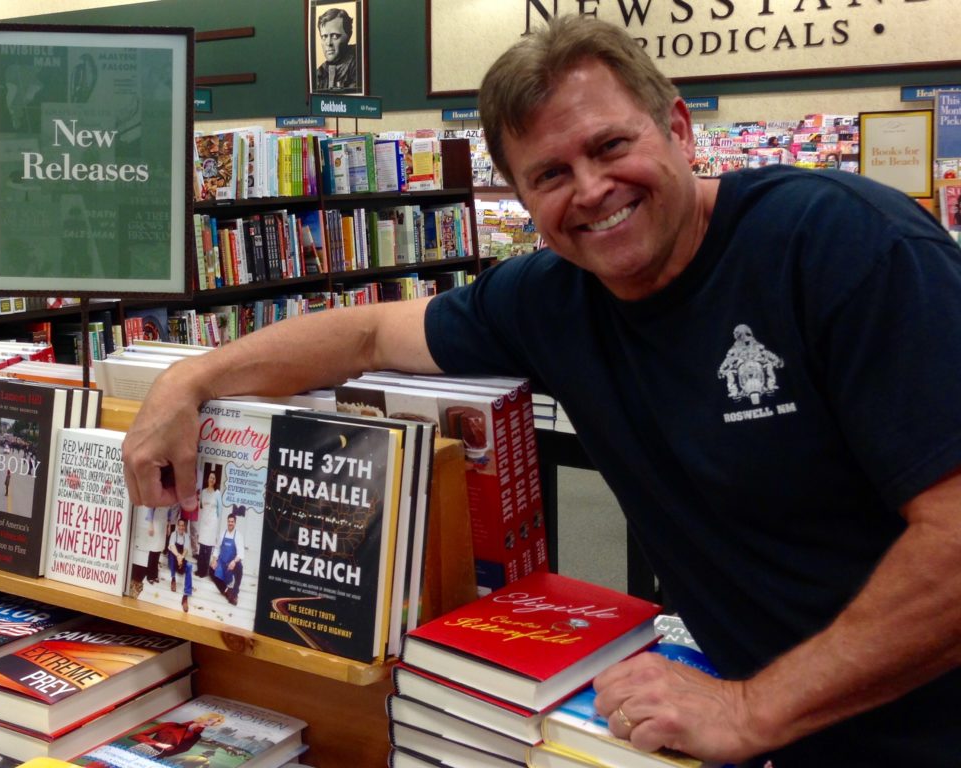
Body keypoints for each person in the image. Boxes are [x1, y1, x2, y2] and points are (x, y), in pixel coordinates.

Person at [122, 15, 961, 768]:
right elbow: (368, 334)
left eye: (609, 147)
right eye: (550, 174)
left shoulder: (843, 245)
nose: (591, 191)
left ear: (676, 127)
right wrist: (189, 380)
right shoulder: (550, 299)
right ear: (521, 198)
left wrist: (755, 708)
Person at [314, 7, 358, 93]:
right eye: (324, 37)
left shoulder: (358, 60)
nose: (328, 43)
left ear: (349, 35)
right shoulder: (319, 73)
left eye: (335, 36)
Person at [209, 513, 244, 605]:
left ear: (235, 523)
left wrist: (234, 561)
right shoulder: (222, 534)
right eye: (229, 521)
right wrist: (214, 560)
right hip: (222, 562)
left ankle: (235, 592)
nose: (230, 523)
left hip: (230, 565)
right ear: (227, 522)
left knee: (240, 567)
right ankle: (227, 591)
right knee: (211, 570)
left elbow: (241, 554)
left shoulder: (238, 536)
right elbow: (217, 548)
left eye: (232, 522)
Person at [196, 469, 222, 578]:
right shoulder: (204, 492)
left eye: (213, 478)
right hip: (204, 522)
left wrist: (214, 521)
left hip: (212, 523)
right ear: (208, 479)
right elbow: (201, 506)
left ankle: (204, 571)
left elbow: (219, 510)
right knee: (202, 546)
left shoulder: (217, 493)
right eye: (210, 477)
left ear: (215, 480)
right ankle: (199, 569)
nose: (211, 479)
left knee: (208, 547)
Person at [166, 517, 194, 612]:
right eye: (180, 525)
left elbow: (186, 549)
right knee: (171, 553)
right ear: (177, 526)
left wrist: (181, 557)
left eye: (183, 525)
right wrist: (178, 555)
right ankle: (173, 579)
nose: (181, 527)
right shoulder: (174, 534)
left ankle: (185, 596)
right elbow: (171, 545)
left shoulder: (186, 536)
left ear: (185, 527)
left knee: (190, 565)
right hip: (173, 561)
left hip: (180, 561)